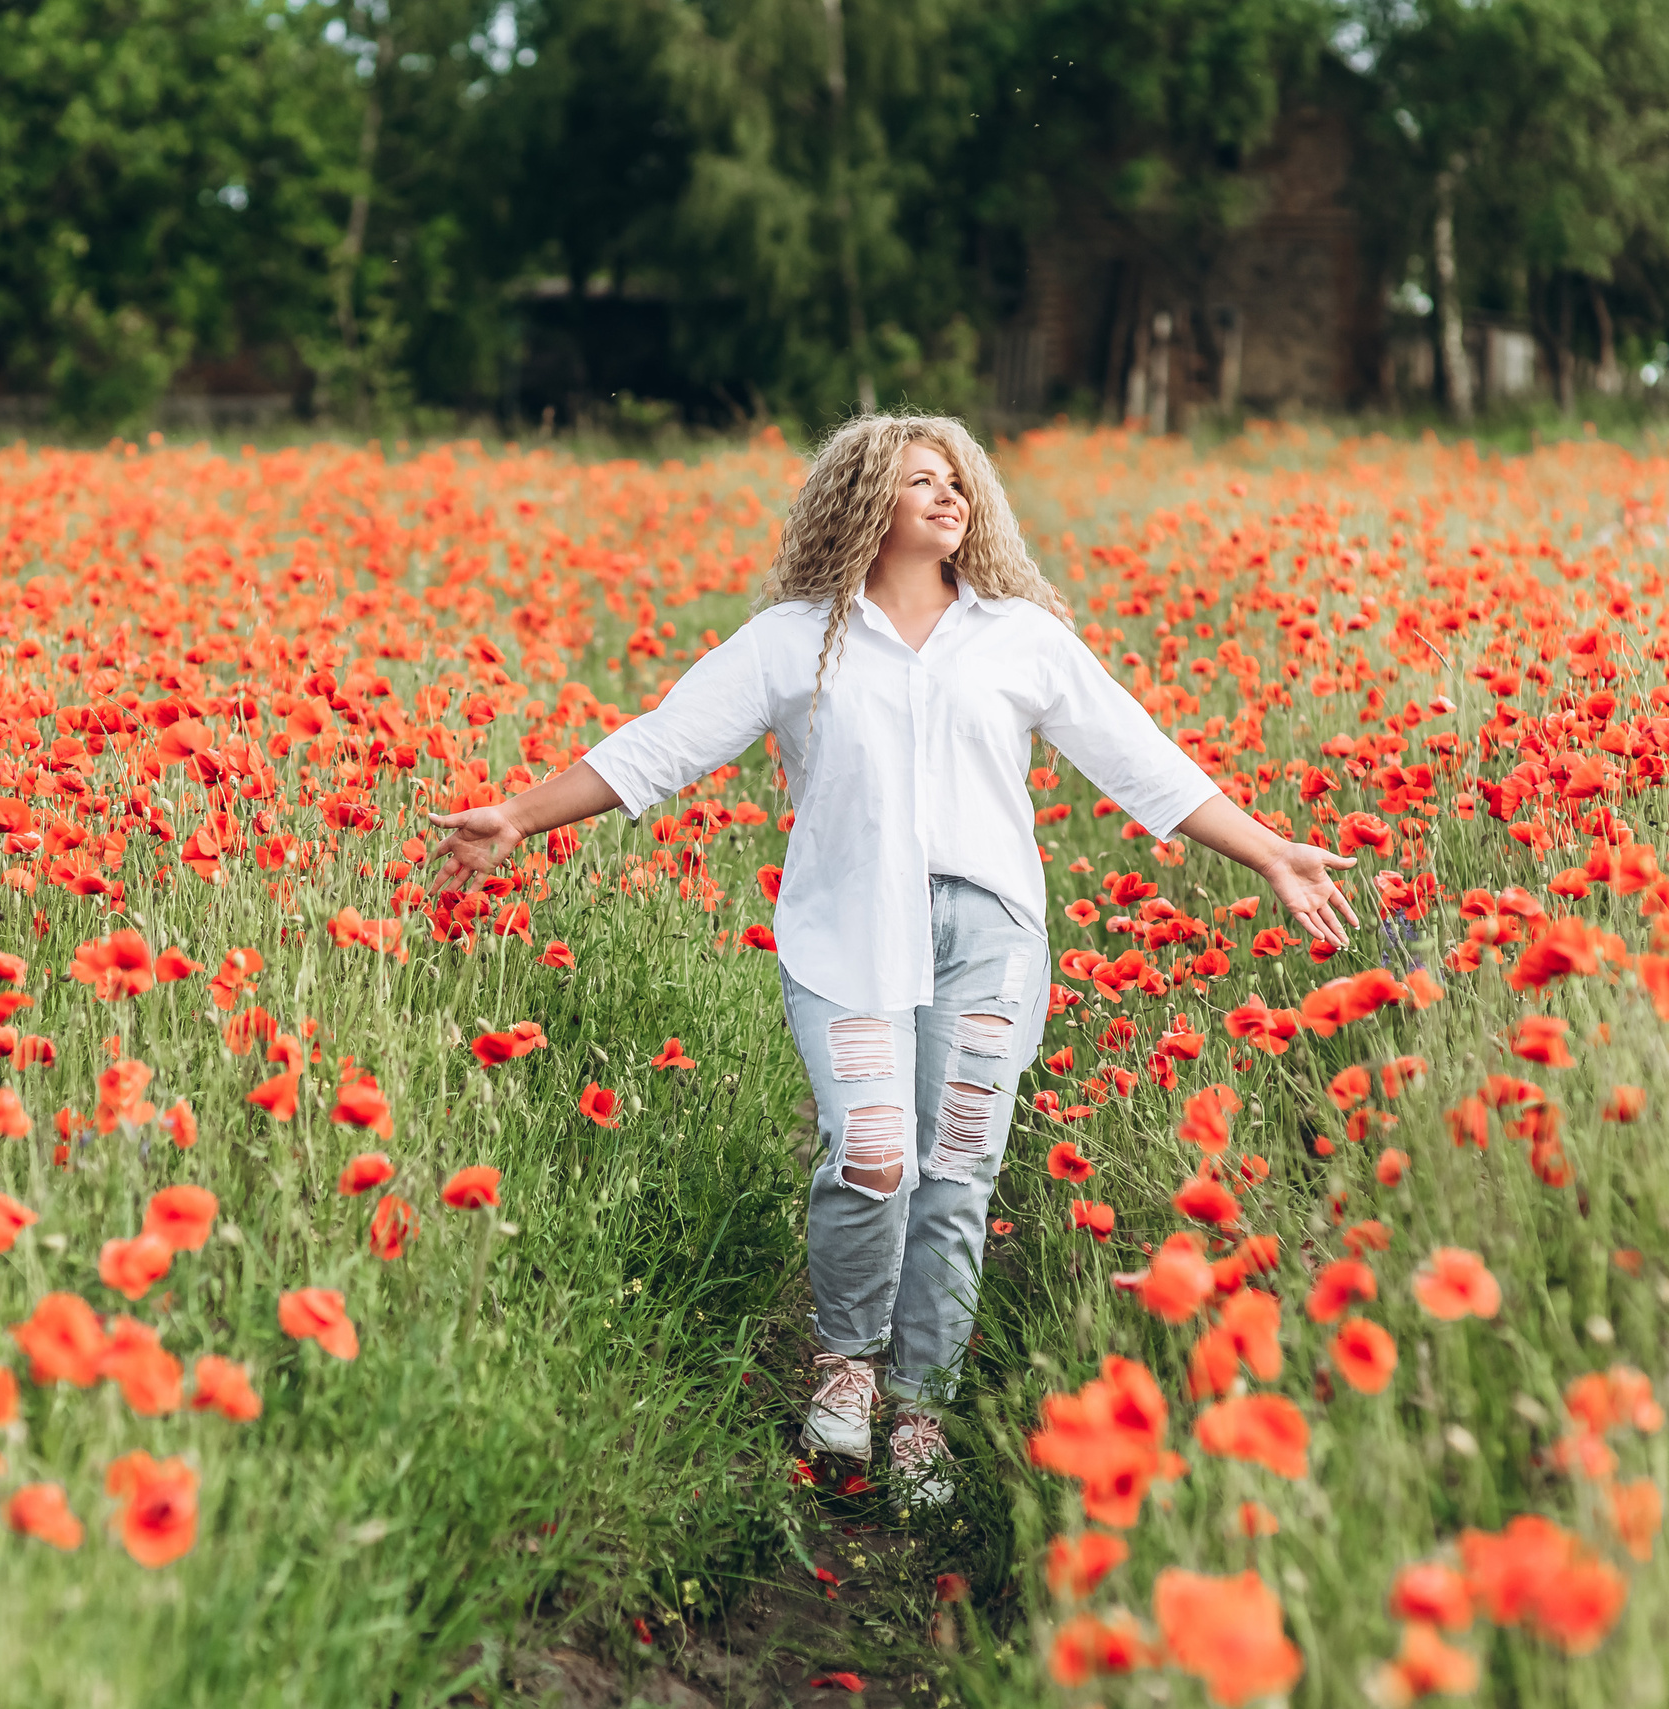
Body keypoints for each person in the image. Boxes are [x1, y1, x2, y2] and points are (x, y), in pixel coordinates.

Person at [425, 412, 1357, 1505]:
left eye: (958, 480)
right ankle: (845, 1362)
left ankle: (922, 1407)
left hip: (990, 937)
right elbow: (659, 743)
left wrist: (1270, 854)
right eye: (920, 479)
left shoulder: (1019, 636)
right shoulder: (792, 639)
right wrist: (519, 817)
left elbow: (1137, 758)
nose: (949, 496)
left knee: (957, 1170)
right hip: (847, 928)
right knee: (873, 1154)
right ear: (863, 500)